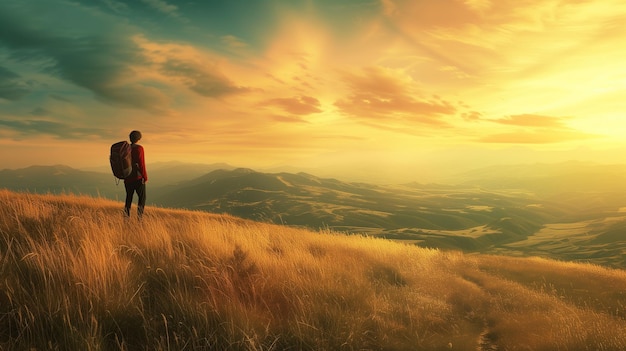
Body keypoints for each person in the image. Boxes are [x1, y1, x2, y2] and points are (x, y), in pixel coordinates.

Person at [124, 130, 148, 219]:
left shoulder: (125, 148)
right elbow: (141, 164)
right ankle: (139, 219)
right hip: (137, 178)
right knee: (142, 198)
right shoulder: (139, 148)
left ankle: (126, 218)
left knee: (128, 198)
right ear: (139, 138)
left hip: (127, 177)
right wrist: (144, 177)